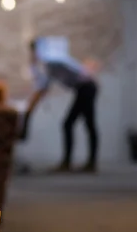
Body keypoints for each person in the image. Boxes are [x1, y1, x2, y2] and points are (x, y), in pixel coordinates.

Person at [22, 37, 99, 173]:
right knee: (85, 124)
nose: (33, 55)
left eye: (33, 52)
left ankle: (70, 163)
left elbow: (43, 87)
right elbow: (43, 86)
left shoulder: (53, 62)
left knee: (71, 124)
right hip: (84, 88)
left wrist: (30, 108)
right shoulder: (50, 64)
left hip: (86, 88)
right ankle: (87, 163)